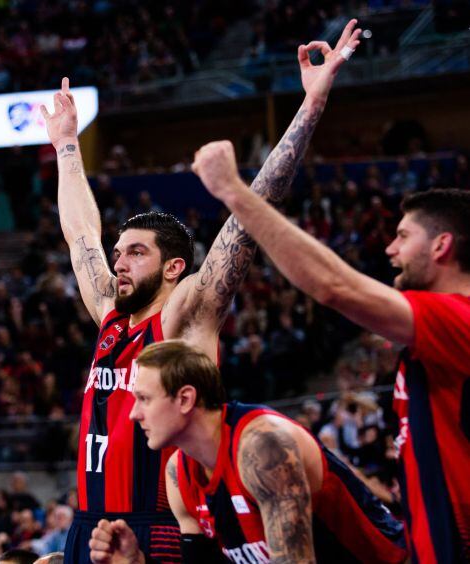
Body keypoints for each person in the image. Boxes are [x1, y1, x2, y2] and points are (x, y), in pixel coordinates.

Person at [41, 19, 362, 564]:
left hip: (160, 522)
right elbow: (79, 235)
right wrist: (67, 145)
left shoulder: (186, 314)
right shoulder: (110, 314)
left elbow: (250, 218)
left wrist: (310, 107)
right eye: (119, 252)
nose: (118, 261)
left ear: (174, 268)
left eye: (135, 252)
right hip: (88, 521)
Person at [191, 133, 470, 561]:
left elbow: (333, 286)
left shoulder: (459, 317)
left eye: (402, 236)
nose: (390, 248)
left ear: (441, 245)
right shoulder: (431, 340)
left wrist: (233, 191)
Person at [90, 340, 408, 563]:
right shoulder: (178, 474)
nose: (133, 414)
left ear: (185, 399)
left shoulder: (264, 446)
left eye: (144, 399)